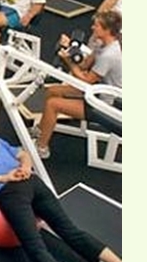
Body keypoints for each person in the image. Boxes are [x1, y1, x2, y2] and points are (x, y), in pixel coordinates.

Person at [0, 132, 122, 262]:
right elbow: (23, 154)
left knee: (35, 246)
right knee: (72, 232)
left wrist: (5, 177)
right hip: (33, 182)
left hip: (11, 193)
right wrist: (26, 167)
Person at [30, 10, 122, 159]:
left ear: (107, 30)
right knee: (52, 91)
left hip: (106, 104)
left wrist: (68, 62)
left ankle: (41, 148)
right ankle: (42, 128)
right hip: (95, 91)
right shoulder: (102, 45)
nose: (92, 27)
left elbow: (85, 81)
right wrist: (70, 51)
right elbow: (84, 65)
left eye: (96, 26)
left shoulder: (109, 55)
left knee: (53, 104)